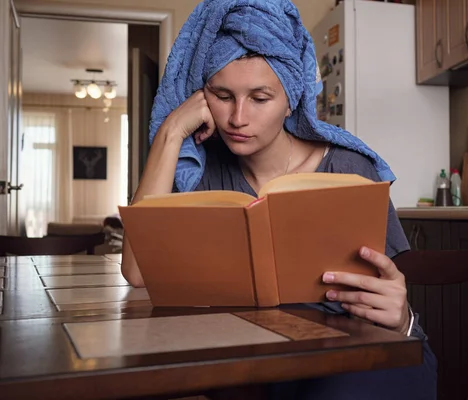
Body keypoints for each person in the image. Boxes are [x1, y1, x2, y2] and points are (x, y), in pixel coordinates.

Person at [121, 1, 436, 398]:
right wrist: (170, 132)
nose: (237, 118)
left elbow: (390, 302)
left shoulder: (349, 167)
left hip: (355, 355)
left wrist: (402, 315)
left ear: (290, 99)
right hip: (256, 359)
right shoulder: (201, 172)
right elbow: (136, 271)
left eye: (259, 98)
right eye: (222, 95)